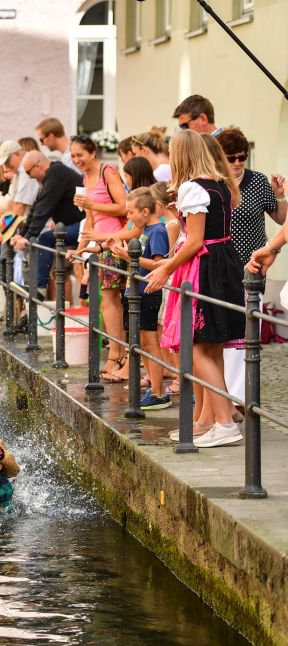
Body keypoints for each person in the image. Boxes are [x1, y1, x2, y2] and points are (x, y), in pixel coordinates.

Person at [145, 130, 244, 448]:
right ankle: (206, 419)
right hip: (225, 261)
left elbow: (196, 241)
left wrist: (165, 267)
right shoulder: (220, 184)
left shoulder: (192, 187)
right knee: (212, 346)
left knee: (198, 346)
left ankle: (226, 423)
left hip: (205, 267)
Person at [68, 135, 128, 383]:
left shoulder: (108, 172)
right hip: (98, 243)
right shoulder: (85, 178)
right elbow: (90, 219)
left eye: (80, 154)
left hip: (113, 240)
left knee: (111, 300)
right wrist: (80, 249)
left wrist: (92, 203)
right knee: (104, 300)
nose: (76, 160)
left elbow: (124, 207)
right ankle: (117, 352)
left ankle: (118, 353)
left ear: (93, 153)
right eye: (72, 156)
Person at [109, 188, 171, 410]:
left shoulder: (157, 232)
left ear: (145, 211)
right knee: (142, 342)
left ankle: (158, 391)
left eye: (130, 213)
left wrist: (128, 256)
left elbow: (158, 265)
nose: (128, 218)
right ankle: (153, 388)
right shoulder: (145, 231)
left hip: (147, 292)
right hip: (135, 290)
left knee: (150, 342)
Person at [15, 151, 85, 293]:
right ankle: (40, 287)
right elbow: (37, 206)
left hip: (84, 225)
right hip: (73, 224)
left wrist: (26, 237)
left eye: (29, 172)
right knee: (48, 244)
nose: (30, 177)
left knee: (45, 239)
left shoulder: (56, 174)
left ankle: (39, 287)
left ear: (38, 166)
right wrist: (22, 234)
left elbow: (43, 209)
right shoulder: (52, 174)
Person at [216, 128, 287, 267]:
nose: (237, 163)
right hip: (220, 265)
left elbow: (283, 220)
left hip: (253, 263)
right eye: (231, 158)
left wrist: (280, 194)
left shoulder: (258, 180)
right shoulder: (212, 183)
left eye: (241, 157)